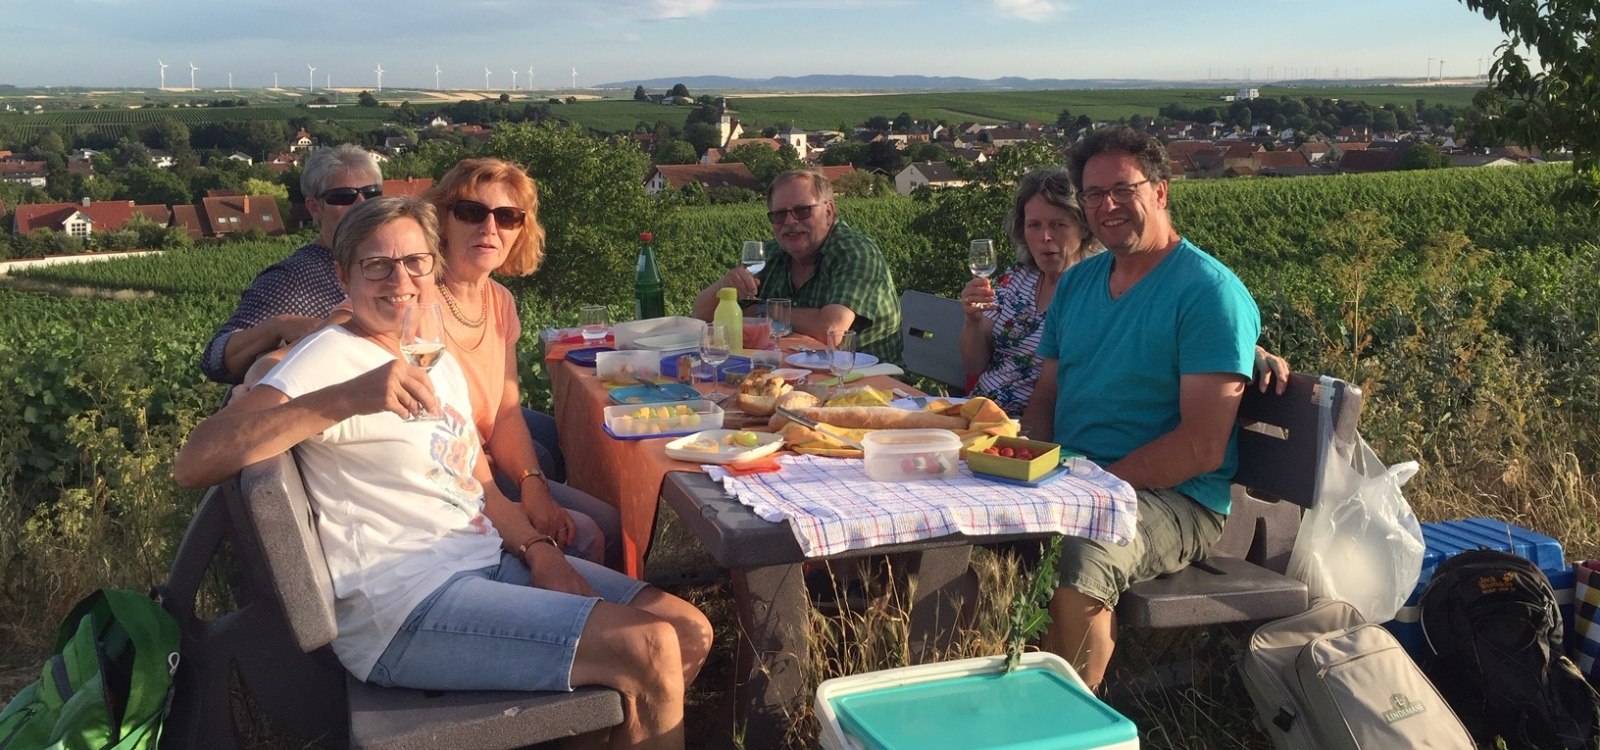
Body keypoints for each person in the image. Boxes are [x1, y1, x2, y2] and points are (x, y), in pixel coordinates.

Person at [173, 197, 711, 750]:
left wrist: (542, 552)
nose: (399, 279)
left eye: (415, 261)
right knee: (646, 647)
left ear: (435, 266)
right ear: (343, 275)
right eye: (376, 264)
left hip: (483, 566)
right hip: (404, 606)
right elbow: (194, 461)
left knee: (689, 630)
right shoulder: (326, 358)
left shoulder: (429, 356)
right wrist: (346, 399)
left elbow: (476, 482)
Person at [1020, 126, 1262, 692]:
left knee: (1079, 560)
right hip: (1075, 475)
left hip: (1175, 497)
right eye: (1093, 194)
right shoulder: (1079, 284)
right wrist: (1022, 459)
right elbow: (1046, 396)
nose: (1106, 206)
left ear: (1160, 191)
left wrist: (1091, 488)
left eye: (1122, 189)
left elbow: (1200, 447)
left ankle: (1073, 720)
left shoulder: (1207, 293)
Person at [960, 167, 1288, 418]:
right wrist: (973, 321)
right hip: (984, 416)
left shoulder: (1098, 284)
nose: (1045, 237)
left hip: (1037, 430)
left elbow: (1154, 321)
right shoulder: (1013, 281)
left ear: (1084, 227)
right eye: (1034, 225)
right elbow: (975, 362)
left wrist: (1251, 349)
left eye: (1058, 225)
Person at [424, 157, 620, 568]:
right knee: (584, 533)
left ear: (520, 230)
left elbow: (506, 412)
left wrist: (534, 488)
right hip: (446, 480)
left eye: (508, 216)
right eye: (471, 212)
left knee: (612, 522)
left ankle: (606, 615)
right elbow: (344, 323)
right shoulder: (417, 301)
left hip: (491, 469)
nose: (489, 227)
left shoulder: (499, 302)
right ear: (442, 220)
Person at [200, 144, 381, 385]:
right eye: (343, 196)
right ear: (315, 207)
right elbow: (215, 359)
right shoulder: (292, 278)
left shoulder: (395, 266)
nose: (360, 204)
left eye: (371, 193)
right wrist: (279, 326)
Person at [691, 169, 902, 363]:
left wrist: (761, 311)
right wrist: (724, 286)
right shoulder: (771, 255)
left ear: (828, 211)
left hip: (866, 384)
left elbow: (831, 329)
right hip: (794, 373)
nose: (790, 221)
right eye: (779, 215)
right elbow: (701, 317)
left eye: (802, 211)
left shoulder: (856, 253)